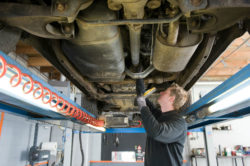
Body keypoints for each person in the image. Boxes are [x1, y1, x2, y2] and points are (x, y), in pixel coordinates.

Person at [137, 83, 188, 166]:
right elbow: (145, 101)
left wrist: (143, 106)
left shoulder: (179, 123)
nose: (161, 93)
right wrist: (139, 80)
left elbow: (156, 132)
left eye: (165, 92)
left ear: (171, 99)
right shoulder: (160, 116)